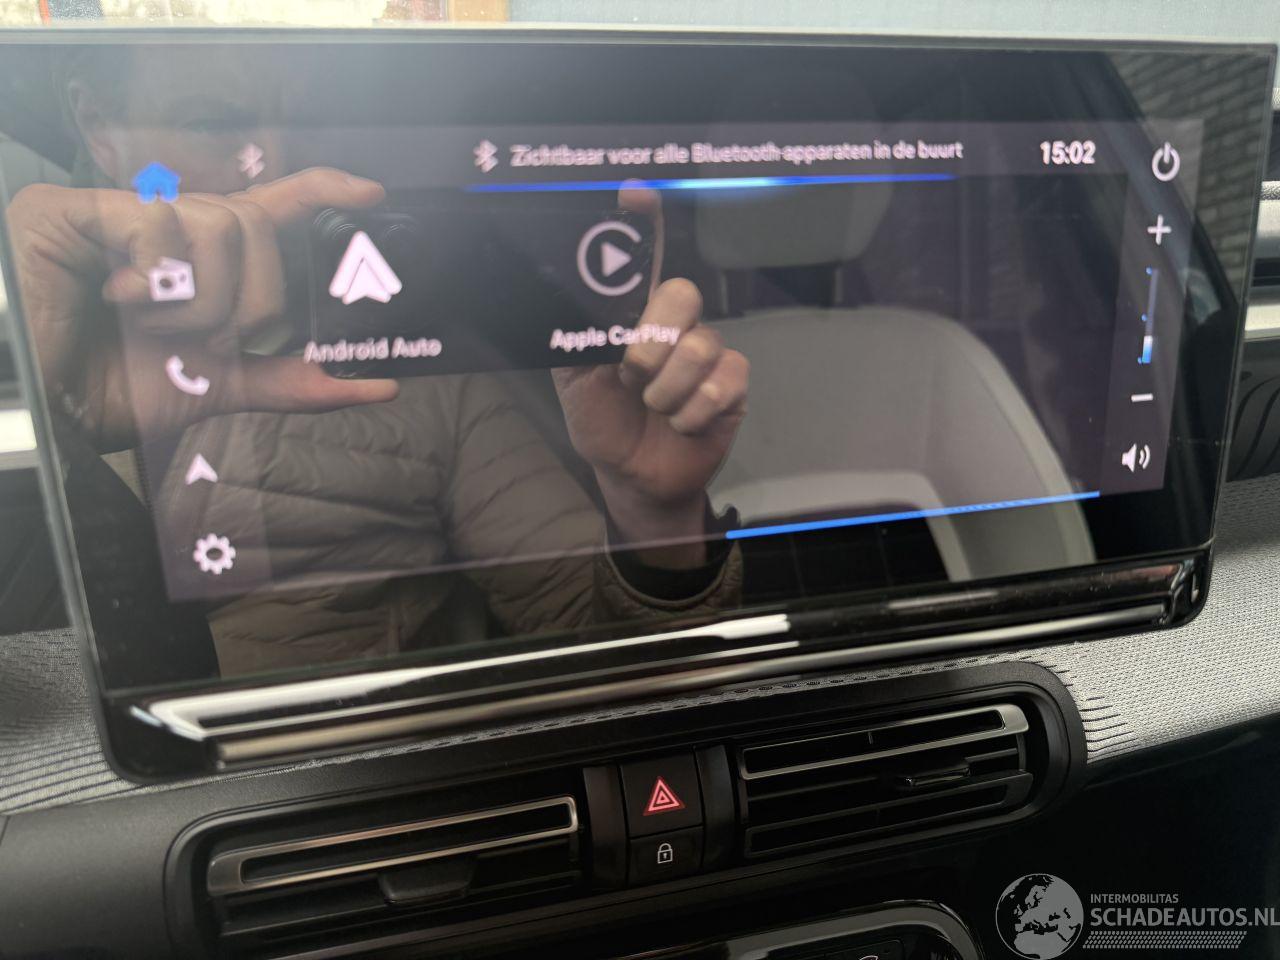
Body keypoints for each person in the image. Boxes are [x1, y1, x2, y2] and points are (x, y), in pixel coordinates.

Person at [5, 48, 749, 675]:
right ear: (98, 126)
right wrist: (37, 397)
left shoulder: (423, 378)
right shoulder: (29, 327)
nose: (271, 161)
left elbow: (617, 664)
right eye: (213, 123)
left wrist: (655, 519)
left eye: (303, 127)